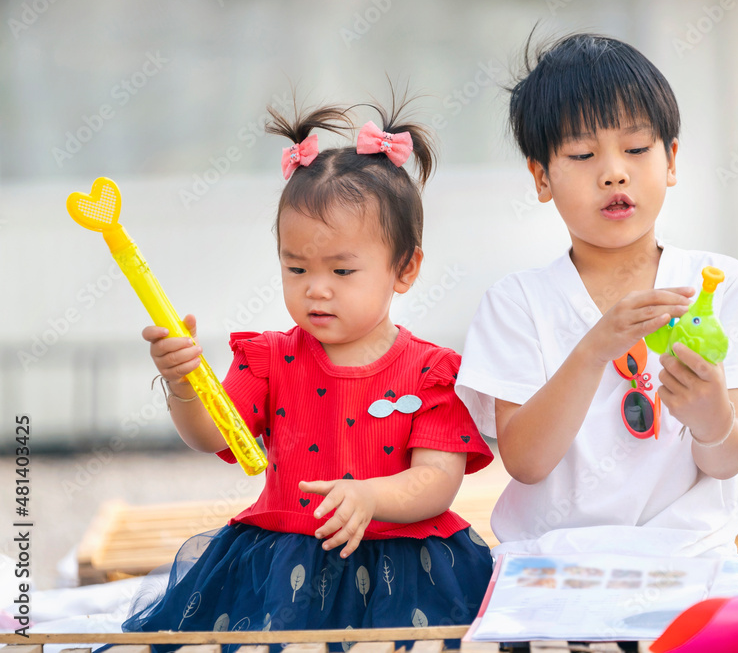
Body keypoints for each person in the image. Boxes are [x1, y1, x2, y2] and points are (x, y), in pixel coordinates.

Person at [127, 97, 494, 648]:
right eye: (295, 267)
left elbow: (437, 482)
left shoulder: (431, 373)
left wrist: (371, 498)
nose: (315, 288)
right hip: (282, 564)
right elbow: (212, 434)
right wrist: (183, 384)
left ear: (406, 268)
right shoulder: (271, 359)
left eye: (342, 270)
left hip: (406, 567)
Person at [455, 33, 738, 559]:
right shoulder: (517, 303)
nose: (614, 171)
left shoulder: (722, 286)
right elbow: (525, 462)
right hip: (554, 562)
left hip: (690, 558)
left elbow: (728, 460)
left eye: (637, 149)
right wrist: (594, 349)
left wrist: (712, 417)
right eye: (582, 153)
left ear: (670, 160)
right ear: (541, 176)